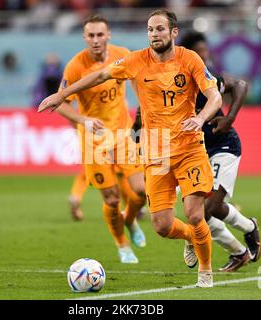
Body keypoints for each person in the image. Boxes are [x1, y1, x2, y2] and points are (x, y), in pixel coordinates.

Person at [39, 9, 222, 287]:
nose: (154, 34)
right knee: (161, 226)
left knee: (195, 213)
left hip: (189, 147)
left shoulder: (190, 59)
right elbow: (101, 76)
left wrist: (199, 118)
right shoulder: (136, 60)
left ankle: (206, 271)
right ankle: (189, 238)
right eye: (150, 30)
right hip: (156, 148)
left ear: (173, 32)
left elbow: (215, 96)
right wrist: (62, 94)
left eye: (160, 29)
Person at [42, 15, 147, 264]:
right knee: (111, 198)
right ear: (84, 38)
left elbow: (139, 81)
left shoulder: (122, 54)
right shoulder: (75, 66)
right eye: (91, 35)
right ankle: (122, 245)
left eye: (100, 35)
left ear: (108, 35)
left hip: (122, 134)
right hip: (94, 140)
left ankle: (130, 221)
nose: (96, 40)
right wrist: (83, 120)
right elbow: (60, 104)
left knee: (141, 192)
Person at [176, 31, 261, 271]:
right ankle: (240, 248)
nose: (205, 55)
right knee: (201, 211)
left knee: (208, 208)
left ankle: (197, 238)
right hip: (195, 150)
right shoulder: (175, 80)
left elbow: (241, 85)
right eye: (200, 51)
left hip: (223, 145)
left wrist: (230, 118)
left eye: (205, 50)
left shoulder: (208, 77)